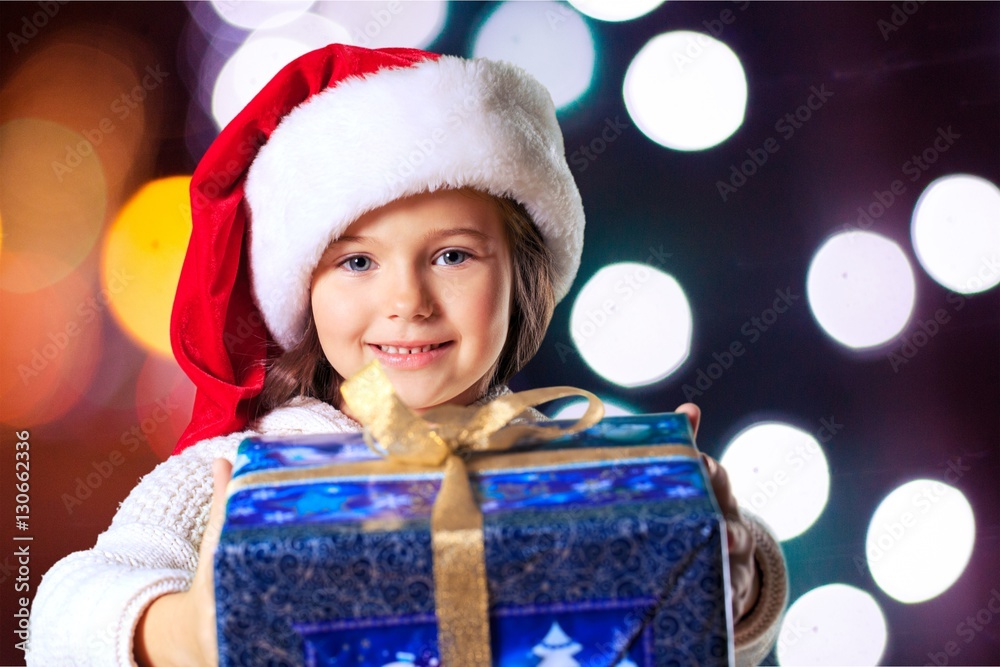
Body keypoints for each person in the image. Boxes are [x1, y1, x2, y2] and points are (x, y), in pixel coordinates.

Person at [27, 44, 787, 667]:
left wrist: (724, 564)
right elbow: (63, 619)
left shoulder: (553, 458)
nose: (408, 302)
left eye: (453, 255)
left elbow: (672, 631)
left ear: (523, 281)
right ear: (303, 293)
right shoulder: (242, 468)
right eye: (358, 263)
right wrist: (182, 631)